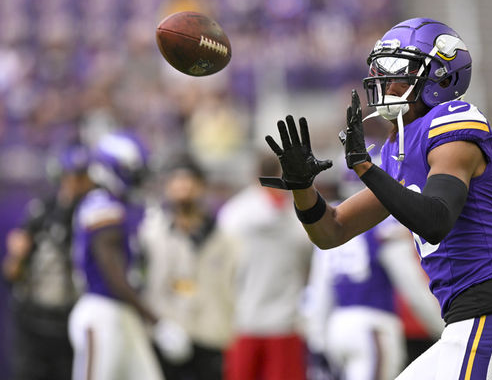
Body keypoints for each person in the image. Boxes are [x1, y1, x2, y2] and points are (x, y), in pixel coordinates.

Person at [260, 18, 492, 380]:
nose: (383, 80)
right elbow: (332, 231)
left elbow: (436, 220)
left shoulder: (454, 121)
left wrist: (365, 168)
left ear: (441, 76)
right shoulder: (398, 148)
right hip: (462, 321)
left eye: (397, 70)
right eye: (380, 68)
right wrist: (302, 188)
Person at [68, 132, 191, 380]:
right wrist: (156, 322)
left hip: (124, 313)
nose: (140, 179)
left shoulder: (120, 206)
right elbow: (113, 273)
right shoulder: (102, 206)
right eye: (135, 172)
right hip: (102, 312)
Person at [303, 166, 444, 380]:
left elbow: (319, 289)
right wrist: (442, 327)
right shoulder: (385, 225)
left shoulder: (331, 224)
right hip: (373, 326)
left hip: (337, 326)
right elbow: (412, 285)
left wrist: (317, 340)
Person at [139, 156, 238, 380]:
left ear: (201, 187)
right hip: (165, 335)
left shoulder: (224, 239)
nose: (183, 187)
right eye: (177, 181)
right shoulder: (153, 235)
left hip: (210, 337)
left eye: (189, 181)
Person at [218, 153, 313, 380]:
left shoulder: (234, 213)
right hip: (285, 321)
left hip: (243, 319)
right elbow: (309, 260)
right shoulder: (298, 214)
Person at [1, 144, 90, 380]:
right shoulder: (41, 212)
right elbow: (12, 273)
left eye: (81, 177)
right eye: (70, 176)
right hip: (34, 321)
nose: (74, 183)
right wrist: (17, 256)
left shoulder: (93, 215)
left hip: (71, 322)